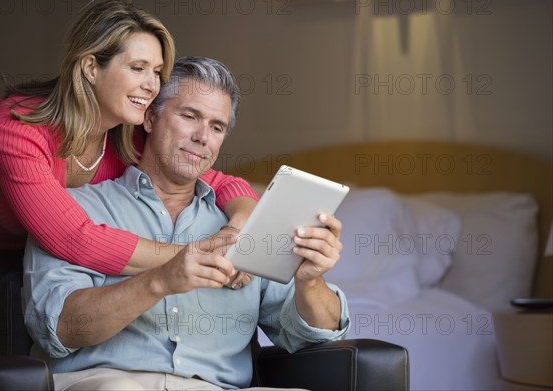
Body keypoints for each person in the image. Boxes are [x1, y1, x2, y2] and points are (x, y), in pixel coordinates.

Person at [23, 56, 350, 390]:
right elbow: (61, 328)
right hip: (109, 382)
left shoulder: (245, 225)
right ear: (150, 117)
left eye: (217, 127)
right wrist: (160, 280)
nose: (202, 137)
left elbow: (309, 337)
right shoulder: (76, 210)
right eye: (190, 116)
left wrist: (311, 282)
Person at [0, 0, 256, 281]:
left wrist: (236, 231)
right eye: (138, 68)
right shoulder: (14, 130)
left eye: (157, 72)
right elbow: (76, 239)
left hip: (29, 257)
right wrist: (202, 258)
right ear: (90, 68)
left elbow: (220, 181)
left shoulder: (129, 131)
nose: (152, 86)